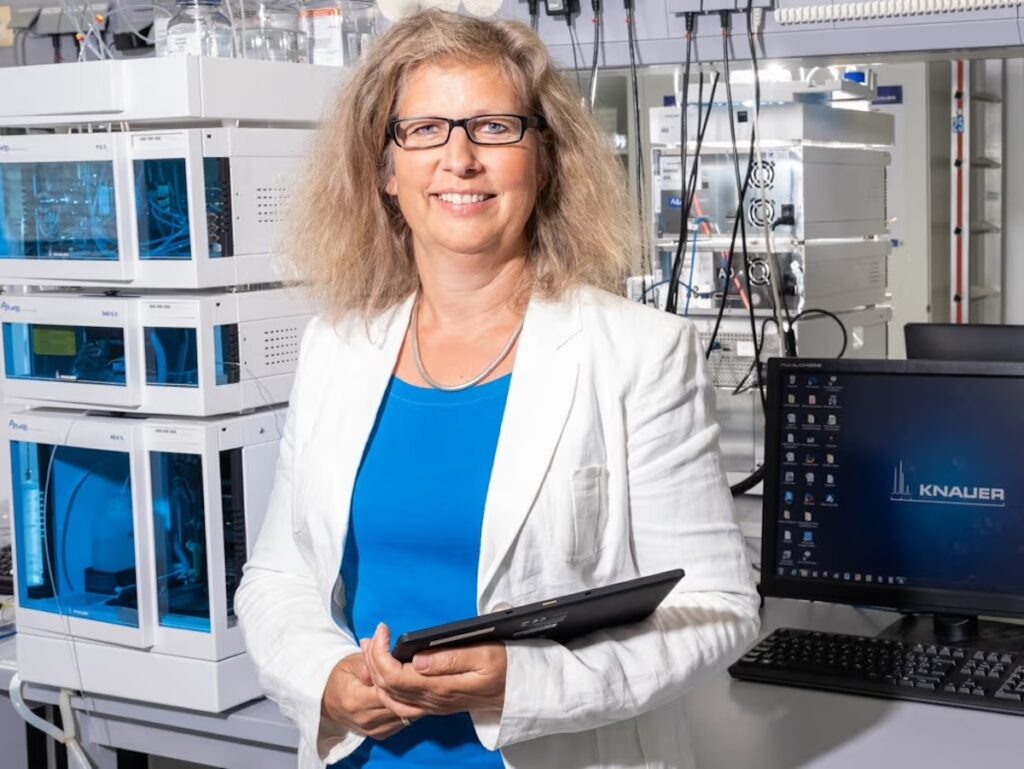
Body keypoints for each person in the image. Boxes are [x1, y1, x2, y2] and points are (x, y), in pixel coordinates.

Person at [235, 10, 760, 769]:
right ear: (385, 170)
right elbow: (278, 575)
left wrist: (525, 683)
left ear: (542, 159)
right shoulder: (337, 347)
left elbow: (717, 607)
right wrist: (323, 678)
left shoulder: (639, 353)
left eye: (493, 127)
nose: (460, 159)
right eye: (424, 130)